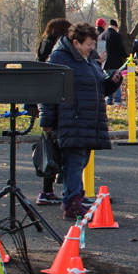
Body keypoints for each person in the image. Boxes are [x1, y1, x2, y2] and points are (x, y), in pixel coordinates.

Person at [40, 23, 122, 220]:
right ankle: (72, 203)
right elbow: (48, 92)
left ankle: (73, 200)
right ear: (75, 42)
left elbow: (97, 87)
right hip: (71, 118)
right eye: (88, 44)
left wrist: (112, 82)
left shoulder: (88, 60)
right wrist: (47, 121)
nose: (92, 48)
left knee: (80, 162)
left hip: (87, 119)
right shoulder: (59, 59)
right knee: (74, 163)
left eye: (93, 44)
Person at [33, 18, 72, 206]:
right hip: (54, 101)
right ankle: (50, 189)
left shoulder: (44, 46)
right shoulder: (56, 51)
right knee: (55, 147)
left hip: (45, 100)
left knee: (50, 147)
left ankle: (47, 189)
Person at [98, 19, 128, 106]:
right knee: (116, 80)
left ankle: (109, 99)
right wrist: (126, 57)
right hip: (115, 62)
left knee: (108, 80)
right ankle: (117, 100)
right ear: (115, 27)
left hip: (104, 62)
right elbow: (120, 48)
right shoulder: (116, 35)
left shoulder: (101, 35)